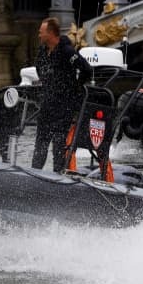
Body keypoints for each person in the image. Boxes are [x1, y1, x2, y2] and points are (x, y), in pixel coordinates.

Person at [31, 17, 92, 173]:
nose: (39, 35)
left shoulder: (67, 51)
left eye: (41, 32)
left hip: (64, 105)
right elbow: (39, 68)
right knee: (40, 143)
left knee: (58, 144)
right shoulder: (42, 51)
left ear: (50, 33)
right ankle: (34, 173)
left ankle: (58, 175)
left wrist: (75, 87)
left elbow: (86, 69)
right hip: (47, 104)